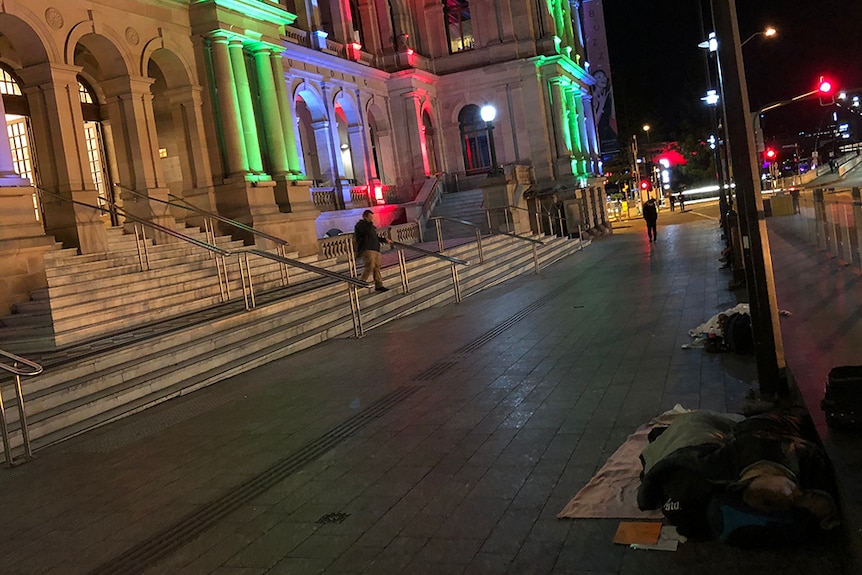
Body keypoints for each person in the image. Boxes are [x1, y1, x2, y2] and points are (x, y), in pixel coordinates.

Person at [354, 209, 392, 292]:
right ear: (365, 217)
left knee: (377, 267)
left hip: (375, 248)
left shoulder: (371, 227)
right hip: (367, 248)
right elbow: (365, 232)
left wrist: (385, 240)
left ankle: (379, 285)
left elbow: (375, 238)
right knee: (370, 265)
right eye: (370, 217)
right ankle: (362, 280)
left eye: (372, 217)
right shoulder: (361, 225)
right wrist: (368, 223)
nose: (372, 219)